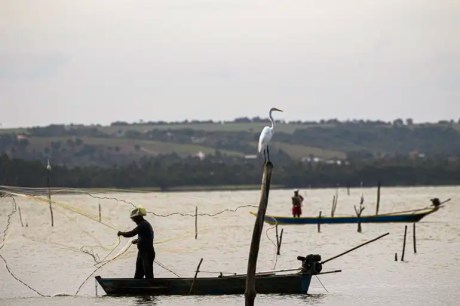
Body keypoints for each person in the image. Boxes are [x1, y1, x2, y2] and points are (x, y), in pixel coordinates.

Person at [117, 206, 155, 279]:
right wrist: (137, 240)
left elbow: (131, 233)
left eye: (134, 219)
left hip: (147, 253)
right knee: (138, 274)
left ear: (139, 217)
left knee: (148, 274)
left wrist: (121, 233)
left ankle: (151, 287)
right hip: (142, 253)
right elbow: (147, 237)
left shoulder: (143, 225)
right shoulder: (144, 225)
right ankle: (138, 287)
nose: (134, 221)